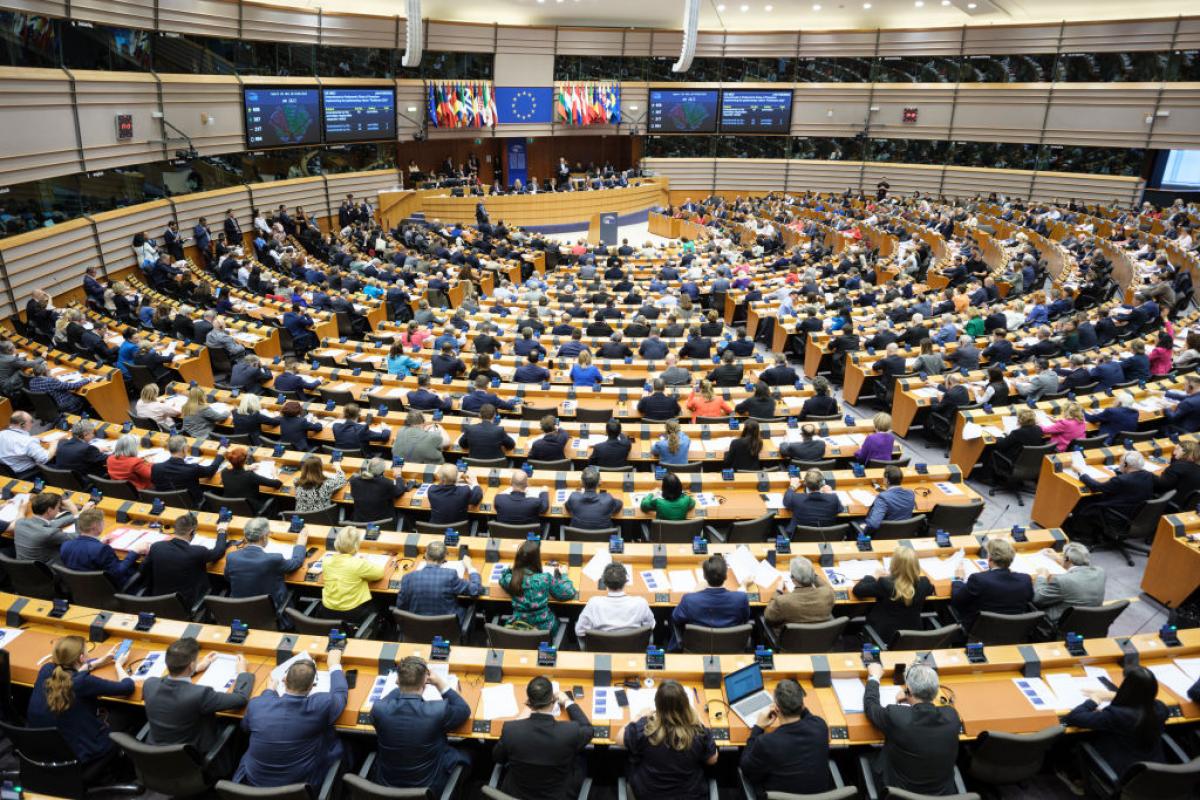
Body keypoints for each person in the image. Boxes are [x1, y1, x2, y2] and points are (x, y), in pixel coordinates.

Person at [235, 650, 347, 789]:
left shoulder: (257, 704)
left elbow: (245, 728)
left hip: (252, 788)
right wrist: (334, 665)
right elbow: (340, 693)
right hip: (298, 790)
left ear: (284, 680)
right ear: (312, 687)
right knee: (344, 745)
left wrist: (268, 692)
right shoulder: (320, 705)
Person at [142, 637, 252, 771]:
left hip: (155, 755)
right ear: (191, 664)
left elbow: (166, 680)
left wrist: (194, 670)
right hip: (190, 759)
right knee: (233, 725)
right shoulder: (200, 694)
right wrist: (243, 673)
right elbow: (240, 699)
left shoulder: (149, 684)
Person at [27, 636, 136, 768]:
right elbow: (127, 687)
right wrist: (119, 664)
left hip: (44, 751)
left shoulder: (46, 670)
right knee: (127, 715)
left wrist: (96, 663)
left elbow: (71, 675)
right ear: (81, 658)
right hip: (81, 754)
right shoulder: (83, 682)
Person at [370, 655, 471, 795]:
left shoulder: (378, 710)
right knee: (470, 751)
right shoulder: (437, 710)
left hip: (386, 787)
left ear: (397, 680)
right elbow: (463, 710)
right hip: (428, 790)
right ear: (425, 680)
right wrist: (440, 684)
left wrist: (405, 682)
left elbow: (387, 701)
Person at [863, 661, 960, 795]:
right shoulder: (952, 717)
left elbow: (871, 706)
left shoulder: (897, 716)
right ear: (936, 691)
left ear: (908, 689)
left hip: (899, 795)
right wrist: (910, 698)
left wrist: (874, 677)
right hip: (941, 795)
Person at [492, 676, 593, 800]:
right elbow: (588, 729)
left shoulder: (510, 730)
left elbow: (498, 758)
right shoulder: (569, 732)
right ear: (553, 699)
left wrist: (519, 721)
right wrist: (567, 701)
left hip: (517, 794)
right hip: (558, 795)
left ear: (529, 700)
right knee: (582, 758)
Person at [1061, 666, 1170, 779]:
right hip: (1155, 771)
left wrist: (1094, 699)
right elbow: (1142, 699)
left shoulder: (1117, 715)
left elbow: (1073, 717)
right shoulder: (1161, 708)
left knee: (1074, 741)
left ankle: (1074, 778)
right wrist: (1112, 694)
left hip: (1123, 773)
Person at [622, 679, 718, 800]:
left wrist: (637, 718)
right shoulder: (699, 732)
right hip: (688, 795)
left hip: (650, 795)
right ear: (686, 704)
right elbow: (712, 760)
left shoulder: (645, 729)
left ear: (657, 705)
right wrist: (700, 722)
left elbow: (619, 738)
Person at [739, 679, 831, 799]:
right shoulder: (820, 726)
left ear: (776, 709)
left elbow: (746, 768)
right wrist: (797, 704)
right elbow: (807, 715)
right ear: (802, 705)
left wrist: (758, 728)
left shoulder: (767, 743)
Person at [225, 516, 307, 616]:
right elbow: (296, 562)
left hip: (241, 613)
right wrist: (300, 544)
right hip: (273, 614)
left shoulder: (231, 557)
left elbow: (228, 578)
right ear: (264, 537)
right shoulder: (274, 559)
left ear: (245, 537)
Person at [852, 546, 935, 643]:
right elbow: (930, 589)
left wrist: (873, 576)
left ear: (894, 564)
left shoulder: (885, 584)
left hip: (883, 636)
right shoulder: (924, 583)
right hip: (912, 636)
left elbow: (858, 590)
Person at [144, 512, 228, 608]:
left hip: (158, 601)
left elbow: (143, 569)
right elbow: (219, 551)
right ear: (192, 532)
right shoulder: (197, 552)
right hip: (185, 605)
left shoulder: (156, 547)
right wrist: (222, 530)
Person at [1068, 450, 1156, 540]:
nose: (1119, 464)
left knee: (1083, 501)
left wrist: (1081, 472)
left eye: (1120, 462)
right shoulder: (1149, 475)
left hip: (1115, 515)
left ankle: (1081, 535)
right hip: (1134, 514)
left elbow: (1096, 487)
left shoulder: (1120, 480)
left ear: (1126, 465)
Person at [950, 537, 1034, 629]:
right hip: (1012, 630)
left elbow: (957, 600)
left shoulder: (978, 579)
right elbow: (1029, 599)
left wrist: (958, 579)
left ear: (989, 559)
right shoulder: (1025, 580)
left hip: (979, 629)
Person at [670, 554, 750, 650]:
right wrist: (744, 586)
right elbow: (745, 618)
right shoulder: (741, 598)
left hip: (697, 647)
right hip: (730, 647)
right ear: (726, 576)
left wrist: (694, 593)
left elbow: (675, 618)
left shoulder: (689, 600)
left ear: (704, 576)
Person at [499, 540, 576, 633]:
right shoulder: (544, 578)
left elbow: (502, 577)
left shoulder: (511, 580)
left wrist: (514, 569)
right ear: (536, 560)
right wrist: (564, 575)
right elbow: (569, 592)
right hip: (544, 629)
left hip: (517, 628)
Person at [397, 540, 482, 622]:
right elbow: (475, 590)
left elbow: (401, 607)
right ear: (444, 557)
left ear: (426, 555)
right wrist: (470, 567)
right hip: (448, 629)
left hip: (417, 629)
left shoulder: (407, 578)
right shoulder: (450, 576)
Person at [1031, 541, 1106, 629]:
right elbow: (1080, 571)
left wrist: (1042, 576)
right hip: (1089, 620)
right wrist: (1061, 560)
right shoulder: (1100, 572)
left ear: (1067, 559)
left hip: (1058, 623)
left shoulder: (1061, 581)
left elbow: (1037, 600)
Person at [319, 526, 386, 624]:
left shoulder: (326, 561)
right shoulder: (358, 564)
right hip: (353, 613)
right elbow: (379, 573)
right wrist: (365, 562)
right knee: (383, 603)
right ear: (356, 545)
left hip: (328, 611)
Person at [574, 562, 655, 640]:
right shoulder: (641, 603)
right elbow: (651, 626)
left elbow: (580, 632)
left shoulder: (593, 604)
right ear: (626, 581)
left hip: (601, 650)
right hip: (634, 650)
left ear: (604, 582)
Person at [764, 558, 834, 634]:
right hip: (821, 640)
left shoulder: (783, 601)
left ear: (793, 579)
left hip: (791, 642)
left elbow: (768, 617)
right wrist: (809, 573)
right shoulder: (827, 594)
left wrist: (778, 591)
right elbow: (827, 586)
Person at [15, 491, 84, 565]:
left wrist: (81, 513)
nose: (59, 510)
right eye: (58, 507)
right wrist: (75, 512)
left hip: (22, 569)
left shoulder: (20, 522)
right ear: (49, 511)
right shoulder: (49, 533)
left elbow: (53, 524)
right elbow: (81, 536)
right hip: (47, 570)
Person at [220, 446, 283, 513]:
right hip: (251, 508)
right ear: (245, 459)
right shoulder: (250, 476)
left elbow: (237, 472)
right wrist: (275, 474)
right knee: (275, 499)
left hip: (232, 507)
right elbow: (277, 484)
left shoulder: (224, 472)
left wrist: (248, 468)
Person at [0, 410, 57, 478]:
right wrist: (54, 443)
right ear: (22, 424)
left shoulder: (2, 433)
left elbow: (15, 440)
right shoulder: (28, 442)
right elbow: (44, 458)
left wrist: (33, 438)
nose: (32, 424)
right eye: (31, 421)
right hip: (29, 472)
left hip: (10, 469)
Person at [861, 465, 916, 535]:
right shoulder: (911, 494)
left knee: (854, 522)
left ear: (887, 480)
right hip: (903, 532)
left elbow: (873, 524)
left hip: (883, 535)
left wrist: (864, 534)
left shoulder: (882, 498)